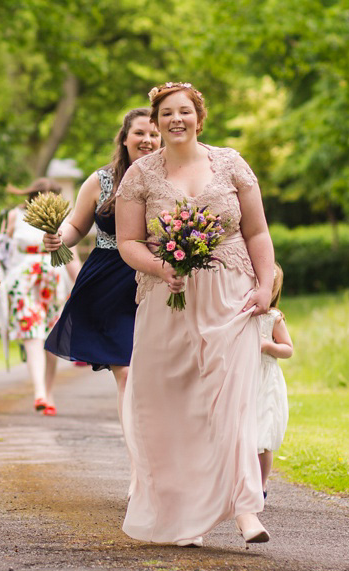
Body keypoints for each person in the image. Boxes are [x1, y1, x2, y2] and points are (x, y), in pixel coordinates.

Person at [115, 82, 275, 547]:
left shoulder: (230, 162)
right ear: (157, 120)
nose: (176, 119)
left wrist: (265, 287)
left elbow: (257, 232)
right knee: (169, 404)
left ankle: (245, 508)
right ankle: (186, 516)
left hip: (230, 295)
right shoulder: (141, 174)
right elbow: (128, 242)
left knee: (228, 400)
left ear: (199, 118)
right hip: (167, 297)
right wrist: (162, 266)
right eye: (167, 113)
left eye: (184, 111)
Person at [42, 107, 160, 490]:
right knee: (128, 372)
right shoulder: (102, 181)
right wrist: (60, 236)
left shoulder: (173, 178)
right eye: (140, 132)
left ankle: (167, 463)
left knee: (157, 378)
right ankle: (138, 471)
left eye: (154, 134)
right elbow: (77, 225)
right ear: (124, 138)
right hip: (109, 282)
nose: (147, 139)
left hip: (160, 281)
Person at [0, 178, 70, 416]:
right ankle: (39, 392)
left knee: (51, 338)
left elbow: (69, 252)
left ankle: (48, 392)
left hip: (53, 279)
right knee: (32, 334)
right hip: (24, 281)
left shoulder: (62, 216)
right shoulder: (14, 215)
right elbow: (4, 248)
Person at [257, 263, 293, 499]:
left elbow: (288, 349)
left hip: (265, 380)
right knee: (244, 433)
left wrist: (269, 346)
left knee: (264, 434)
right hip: (245, 379)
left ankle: (261, 484)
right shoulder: (239, 313)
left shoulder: (273, 318)